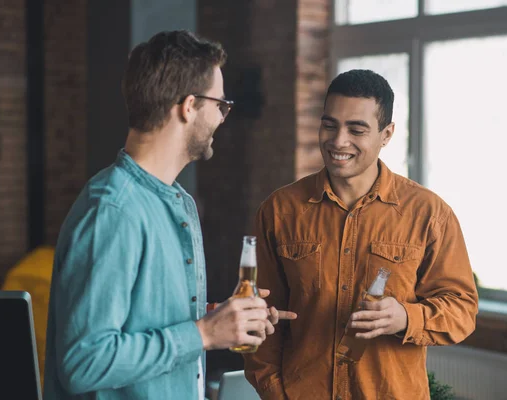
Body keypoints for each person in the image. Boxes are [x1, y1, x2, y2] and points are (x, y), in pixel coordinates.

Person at [43, 30, 294, 400]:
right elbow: (84, 362)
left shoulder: (179, 202)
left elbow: (145, 320)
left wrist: (223, 321)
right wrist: (205, 333)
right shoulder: (114, 210)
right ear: (189, 106)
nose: (223, 119)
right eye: (220, 105)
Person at [244, 69, 478, 400]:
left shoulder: (429, 214)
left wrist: (405, 317)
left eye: (357, 129)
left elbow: (462, 311)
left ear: (387, 134)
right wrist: (274, 391)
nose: (339, 141)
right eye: (330, 125)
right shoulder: (280, 211)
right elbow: (258, 315)